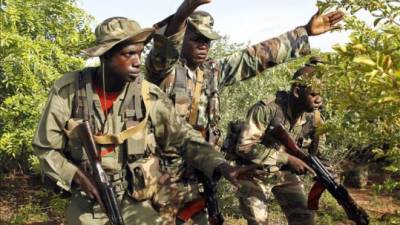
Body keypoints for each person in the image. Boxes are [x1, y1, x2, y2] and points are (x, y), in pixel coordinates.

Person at [32, 1, 254, 224]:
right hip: (90, 198)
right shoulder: (70, 90)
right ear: (106, 56)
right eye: (129, 54)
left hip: (135, 196)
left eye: (139, 53)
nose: (138, 62)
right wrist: (77, 176)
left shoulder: (148, 95)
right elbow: (46, 148)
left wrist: (221, 166)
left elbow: (185, 137)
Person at [146, 8, 343, 151]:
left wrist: (304, 32)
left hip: (200, 164)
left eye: (207, 41)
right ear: (181, 38)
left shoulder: (212, 71)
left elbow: (253, 57)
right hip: (164, 165)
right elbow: (165, 47)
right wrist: (185, 10)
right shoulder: (165, 70)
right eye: (196, 39)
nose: (203, 46)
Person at [232, 58, 326, 225]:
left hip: (284, 174)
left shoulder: (316, 119)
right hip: (254, 172)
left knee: (305, 218)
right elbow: (244, 147)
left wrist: (326, 173)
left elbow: (318, 154)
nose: (319, 100)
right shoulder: (268, 109)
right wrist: (288, 158)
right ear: (297, 92)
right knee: (259, 220)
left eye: (321, 94)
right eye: (313, 94)